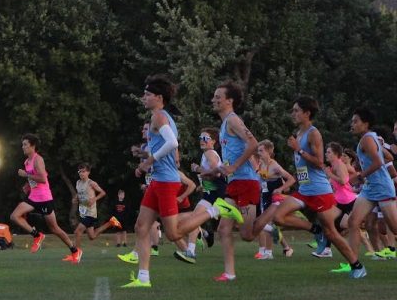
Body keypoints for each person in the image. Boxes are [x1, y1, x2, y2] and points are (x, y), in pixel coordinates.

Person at [121, 76, 232, 288]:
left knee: (172, 233)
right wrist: (145, 155)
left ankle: (216, 210)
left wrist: (150, 160)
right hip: (158, 181)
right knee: (141, 226)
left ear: (159, 97)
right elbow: (165, 147)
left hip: (166, 182)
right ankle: (143, 278)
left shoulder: (159, 116)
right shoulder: (160, 116)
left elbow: (172, 143)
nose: (144, 97)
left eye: (147, 94)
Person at [250, 96, 364, 278]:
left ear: (307, 113)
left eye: (296, 110)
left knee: (332, 233)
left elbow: (319, 162)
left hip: (319, 191)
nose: (292, 113)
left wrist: (299, 149)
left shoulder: (313, 133)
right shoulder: (299, 133)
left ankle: (357, 266)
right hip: (304, 190)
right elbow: (302, 166)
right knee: (279, 217)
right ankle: (315, 230)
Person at [210, 81, 263, 282]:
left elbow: (254, 143)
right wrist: (216, 171)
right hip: (234, 183)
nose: (213, 100)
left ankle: (275, 210)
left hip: (247, 182)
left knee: (247, 235)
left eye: (218, 97)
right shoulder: (225, 124)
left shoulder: (233, 120)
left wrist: (234, 166)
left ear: (229, 101)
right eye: (214, 97)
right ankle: (229, 273)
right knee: (223, 229)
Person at [9, 134, 80, 260]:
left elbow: (42, 178)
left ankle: (75, 251)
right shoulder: (27, 162)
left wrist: (26, 175)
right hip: (33, 197)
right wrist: (28, 186)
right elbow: (33, 178)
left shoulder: (38, 159)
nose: (23, 147)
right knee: (14, 216)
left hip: (44, 198)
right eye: (22, 144)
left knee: (54, 229)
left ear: (33, 146)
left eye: (25, 144)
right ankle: (37, 235)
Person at [344, 108, 397, 272]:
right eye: (352, 121)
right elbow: (388, 157)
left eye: (356, 121)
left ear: (366, 124)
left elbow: (379, 163)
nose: (352, 124)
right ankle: (354, 265)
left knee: (394, 228)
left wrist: (360, 176)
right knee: (353, 222)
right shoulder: (371, 138)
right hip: (370, 188)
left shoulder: (367, 139)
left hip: (381, 187)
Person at [68, 164, 122, 260]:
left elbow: (103, 192)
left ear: (88, 172)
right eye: (80, 171)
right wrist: (75, 198)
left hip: (90, 212)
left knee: (77, 232)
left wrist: (94, 199)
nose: (81, 173)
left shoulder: (91, 183)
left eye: (83, 171)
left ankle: (76, 254)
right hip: (83, 211)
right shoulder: (78, 183)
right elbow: (79, 193)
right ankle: (111, 222)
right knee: (92, 236)